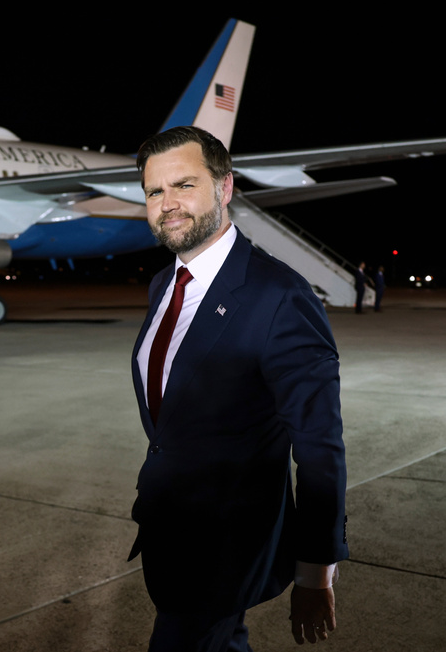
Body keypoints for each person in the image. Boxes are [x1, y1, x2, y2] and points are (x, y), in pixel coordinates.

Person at [128, 126, 348, 651]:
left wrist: (316, 573)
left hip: (228, 544)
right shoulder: (165, 283)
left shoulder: (279, 296)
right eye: (154, 192)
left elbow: (319, 447)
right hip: (169, 528)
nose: (167, 204)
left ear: (225, 188)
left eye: (184, 185)